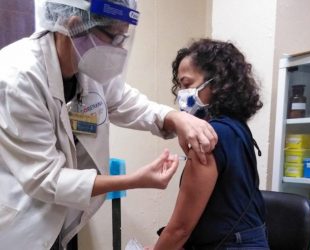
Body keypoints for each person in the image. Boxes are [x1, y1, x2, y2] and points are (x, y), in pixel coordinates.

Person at [0, 1, 218, 249]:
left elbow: (128, 102)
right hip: (22, 225)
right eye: (114, 37)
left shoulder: (86, 67)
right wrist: (133, 180)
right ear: (75, 25)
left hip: (64, 218)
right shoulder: (17, 78)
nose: (120, 49)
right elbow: (47, 179)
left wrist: (176, 118)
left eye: (124, 38)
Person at [151, 38, 269, 250]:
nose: (181, 94)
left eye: (187, 85)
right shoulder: (235, 128)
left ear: (217, 83)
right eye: (179, 86)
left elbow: (180, 229)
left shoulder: (208, 137)